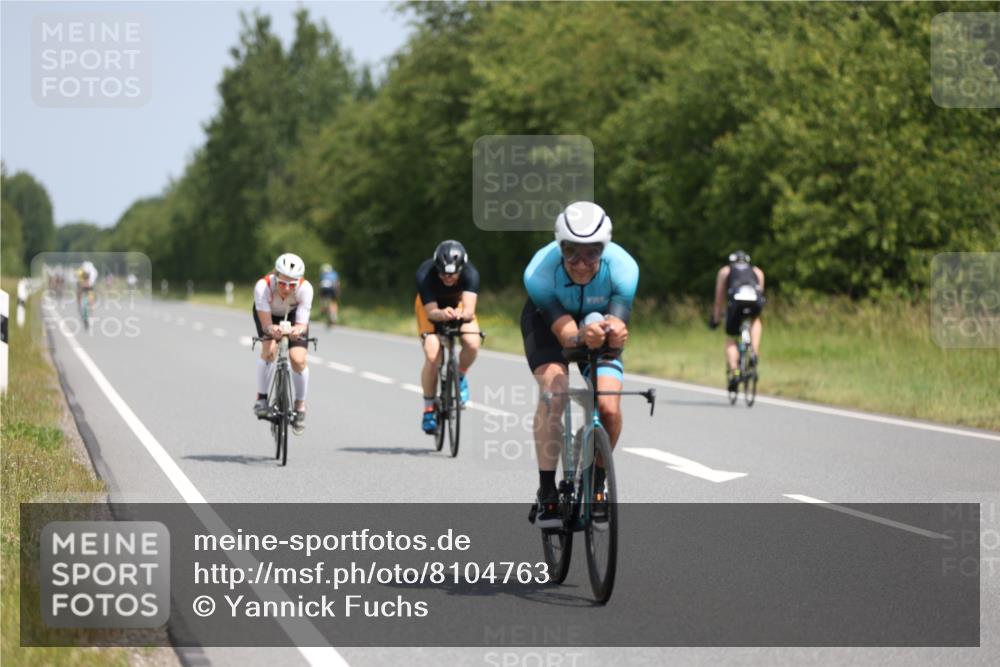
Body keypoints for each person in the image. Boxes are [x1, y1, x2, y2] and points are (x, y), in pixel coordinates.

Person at [522, 202, 639, 528]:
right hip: (549, 326)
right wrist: (581, 336)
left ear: (605, 247)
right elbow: (567, 337)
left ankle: (597, 483)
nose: (581, 263)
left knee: (609, 407)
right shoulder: (538, 272)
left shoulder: (624, 268)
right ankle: (548, 493)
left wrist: (615, 331)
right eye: (570, 251)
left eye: (592, 252)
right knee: (555, 394)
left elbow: (617, 324)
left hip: (597, 321)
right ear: (559, 246)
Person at [415, 240, 482, 434]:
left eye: (452, 274)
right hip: (431, 308)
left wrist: (461, 314)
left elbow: (469, 310)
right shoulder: (424, 274)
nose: (448, 278)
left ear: (461, 269)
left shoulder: (471, 274)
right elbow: (431, 313)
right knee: (432, 355)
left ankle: (460, 376)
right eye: (443, 273)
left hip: (457, 304)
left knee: (472, 342)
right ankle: (429, 409)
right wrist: (443, 314)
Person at [252, 253, 314, 435]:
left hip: (293, 315)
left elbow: (302, 324)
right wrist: (271, 330)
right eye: (282, 283)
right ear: (275, 276)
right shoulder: (263, 287)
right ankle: (262, 398)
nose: (287, 289)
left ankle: (300, 405)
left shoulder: (306, 289)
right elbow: (266, 325)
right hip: (268, 315)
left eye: (292, 284)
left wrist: (297, 331)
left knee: (298, 359)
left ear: (299, 282)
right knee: (270, 350)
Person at [710, 250, 765, 391]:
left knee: (731, 338)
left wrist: (715, 319)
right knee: (755, 320)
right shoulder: (757, 271)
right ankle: (754, 352)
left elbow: (719, 299)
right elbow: (761, 294)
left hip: (736, 304)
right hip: (754, 302)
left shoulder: (725, 271)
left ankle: (735, 372)